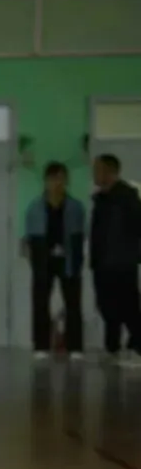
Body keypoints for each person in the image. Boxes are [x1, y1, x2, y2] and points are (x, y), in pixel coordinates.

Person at [23, 162, 85, 360]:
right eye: (53, 179)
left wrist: (77, 260)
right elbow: (30, 238)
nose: (57, 184)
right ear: (46, 181)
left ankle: (75, 347)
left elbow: (79, 237)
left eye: (61, 179)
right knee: (40, 302)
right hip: (43, 258)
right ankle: (40, 346)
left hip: (68, 259)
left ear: (66, 181)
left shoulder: (75, 207)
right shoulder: (35, 207)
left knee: (73, 303)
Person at [90, 153, 141, 362]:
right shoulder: (100, 199)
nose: (95, 174)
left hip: (122, 263)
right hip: (102, 263)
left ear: (110, 172)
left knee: (128, 306)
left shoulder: (128, 197)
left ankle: (137, 345)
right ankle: (112, 348)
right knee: (107, 307)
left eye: (98, 170)